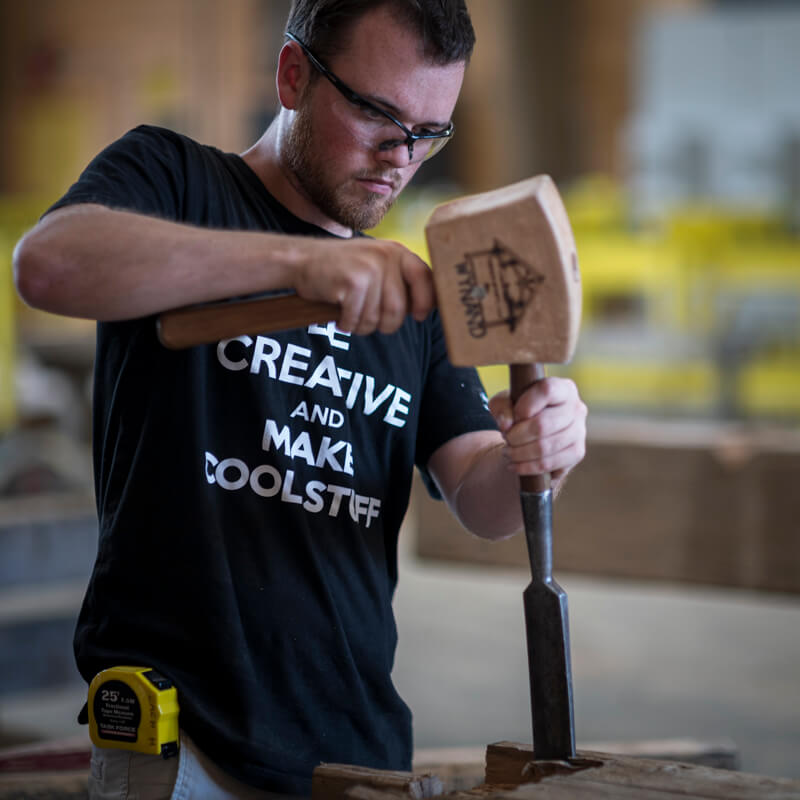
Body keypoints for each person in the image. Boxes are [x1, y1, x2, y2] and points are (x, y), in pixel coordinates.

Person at [14, 1, 587, 797]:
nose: (400, 156)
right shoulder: (175, 181)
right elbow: (47, 266)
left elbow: (483, 501)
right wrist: (297, 262)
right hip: (182, 744)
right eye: (380, 115)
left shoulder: (408, 294)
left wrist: (537, 454)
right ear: (293, 76)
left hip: (357, 751)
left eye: (430, 133)